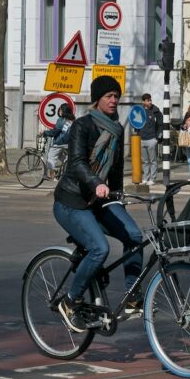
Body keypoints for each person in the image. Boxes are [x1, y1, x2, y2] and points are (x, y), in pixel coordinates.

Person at [53, 75, 145, 330]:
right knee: (100, 249)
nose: (114, 100)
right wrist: (97, 184)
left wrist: (120, 197)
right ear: (97, 100)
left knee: (134, 237)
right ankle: (71, 300)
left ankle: (132, 298)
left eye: (116, 96)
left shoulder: (117, 128)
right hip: (72, 201)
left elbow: (115, 171)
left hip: (101, 200)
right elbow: (77, 163)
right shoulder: (83, 125)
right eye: (109, 96)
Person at [42, 104, 75, 178]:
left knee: (50, 157)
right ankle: (63, 170)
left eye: (60, 110)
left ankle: (51, 175)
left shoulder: (61, 120)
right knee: (63, 157)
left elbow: (55, 132)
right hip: (70, 143)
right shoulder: (73, 120)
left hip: (60, 142)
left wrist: (45, 132)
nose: (59, 111)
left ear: (63, 111)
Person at [137, 93, 162, 185]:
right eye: (147, 100)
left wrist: (157, 137)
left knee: (153, 160)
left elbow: (161, 124)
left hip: (152, 139)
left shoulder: (156, 111)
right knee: (145, 161)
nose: (150, 102)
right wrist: (138, 133)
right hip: (142, 139)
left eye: (150, 100)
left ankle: (152, 179)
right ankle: (145, 178)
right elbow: (136, 122)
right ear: (143, 102)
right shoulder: (140, 111)